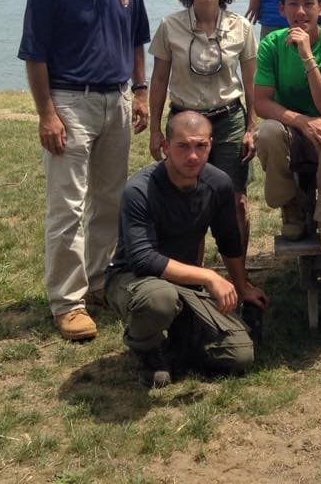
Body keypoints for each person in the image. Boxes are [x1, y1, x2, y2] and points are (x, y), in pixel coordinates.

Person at [18, 0, 150, 341]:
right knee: (68, 206)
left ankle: (97, 282)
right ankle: (67, 302)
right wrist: (47, 114)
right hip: (69, 101)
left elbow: (136, 41)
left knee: (110, 199)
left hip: (117, 99)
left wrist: (141, 92)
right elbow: (34, 55)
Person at [106, 111, 269, 388]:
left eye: (200, 146)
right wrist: (208, 276)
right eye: (182, 146)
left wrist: (241, 286)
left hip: (184, 283)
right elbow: (144, 259)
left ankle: (180, 346)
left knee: (240, 354)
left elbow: (228, 240)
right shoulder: (139, 190)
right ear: (165, 146)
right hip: (134, 278)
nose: (193, 156)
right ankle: (146, 349)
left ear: (211, 145)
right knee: (160, 299)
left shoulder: (218, 183)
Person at [148, 0, 258, 258]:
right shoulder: (169, 26)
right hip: (185, 122)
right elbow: (159, 80)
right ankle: (194, 276)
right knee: (190, 201)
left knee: (236, 201)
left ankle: (238, 275)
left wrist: (252, 127)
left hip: (229, 121)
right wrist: (155, 130)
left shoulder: (241, 27)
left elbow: (251, 82)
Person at [253, 0, 321, 253]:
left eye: (308, 4)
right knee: (268, 131)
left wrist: (308, 56)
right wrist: (302, 121)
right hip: (290, 129)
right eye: (293, 3)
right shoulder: (271, 44)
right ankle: (292, 205)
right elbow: (261, 103)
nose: (300, 12)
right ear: (281, 8)